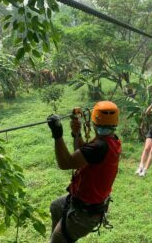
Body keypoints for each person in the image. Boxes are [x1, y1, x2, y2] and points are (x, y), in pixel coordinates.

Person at [47, 101, 121, 243]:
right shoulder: (111, 140)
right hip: (88, 204)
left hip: (84, 214)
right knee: (56, 206)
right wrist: (77, 134)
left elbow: (65, 163)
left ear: (94, 122)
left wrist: (57, 134)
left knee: (56, 240)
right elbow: (82, 154)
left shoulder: (98, 147)